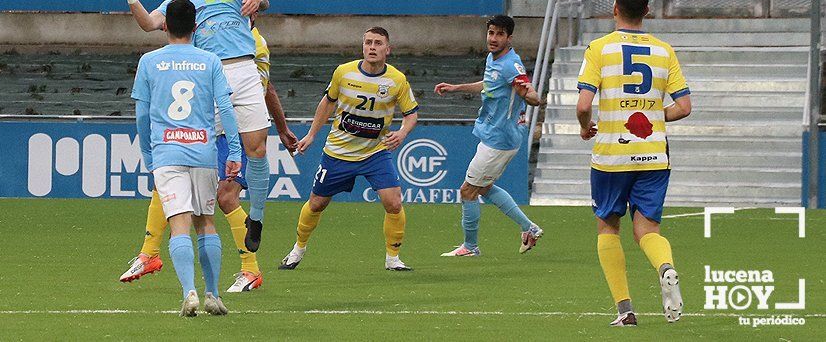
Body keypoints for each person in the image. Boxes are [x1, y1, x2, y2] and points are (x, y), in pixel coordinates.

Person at [118, 0, 274, 287]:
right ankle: (149, 252)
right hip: (206, 76)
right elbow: (147, 24)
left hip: (243, 69)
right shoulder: (178, 1)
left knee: (254, 154)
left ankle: (257, 224)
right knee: (178, 162)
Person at [120, 19, 298, 294]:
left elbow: (264, 88)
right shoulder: (212, 39)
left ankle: (250, 269)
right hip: (204, 130)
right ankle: (149, 253)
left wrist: (282, 127)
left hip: (234, 130)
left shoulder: (252, 45)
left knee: (225, 197)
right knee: (166, 180)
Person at [575, 0, 691, 327]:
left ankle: (625, 311)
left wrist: (585, 126)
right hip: (654, 154)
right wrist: (653, 116)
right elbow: (684, 107)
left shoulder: (599, 48)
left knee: (608, 228)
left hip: (611, 156)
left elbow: (583, 105)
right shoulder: (663, 50)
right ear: (647, 11)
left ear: (614, 9)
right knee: (647, 231)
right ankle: (665, 267)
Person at [132, 0, 241, 316]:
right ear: (196, 27)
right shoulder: (210, 61)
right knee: (206, 223)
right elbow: (226, 108)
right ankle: (214, 294)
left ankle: (188, 292)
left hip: (168, 153)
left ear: (165, 25)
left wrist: (149, 154)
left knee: (179, 225)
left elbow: (141, 116)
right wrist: (233, 149)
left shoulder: (149, 62)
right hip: (204, 153)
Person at [278, 27, 418, 272]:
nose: (372, 47)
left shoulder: (397, 80)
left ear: (388, 49)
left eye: (378, 43)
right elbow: (327, 103)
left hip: (375, 152)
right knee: (317, 204)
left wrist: (403, 132)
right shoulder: (344, 72)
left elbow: (411, 114)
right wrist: (311, 135)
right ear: (363, 46)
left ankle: (393, 258)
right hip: (338, 152)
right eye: (368, 42)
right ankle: (298, 249)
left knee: (393, 202)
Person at [434, 15, 544, 257]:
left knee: (467, 191)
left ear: (509, 38)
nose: (493, 39)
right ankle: (529, 228)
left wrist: (532, 97)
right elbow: (488, 84)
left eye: (499, 34)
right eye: (491, 33)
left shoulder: (511, 65)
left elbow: (527, 90)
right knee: (483, 188)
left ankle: (471, 247)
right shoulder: (493, 60)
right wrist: (457, 88)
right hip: (495, 135)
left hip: (499, 139)